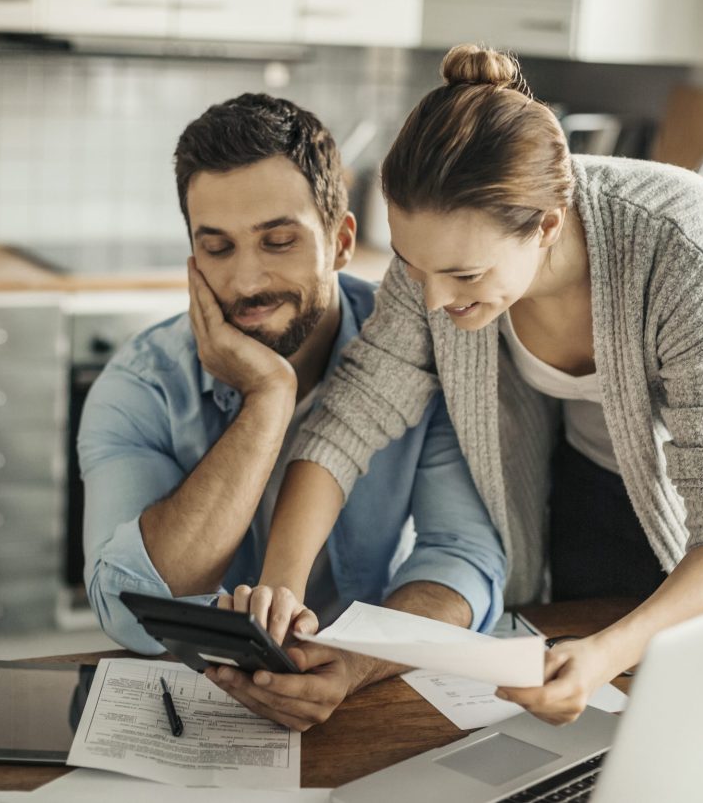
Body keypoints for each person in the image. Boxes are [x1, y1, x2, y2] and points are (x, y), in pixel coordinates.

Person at [235, 46, 703, 726]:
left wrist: (604, 655)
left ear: (548, 226)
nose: (434, 301)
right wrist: (280, 588)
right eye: (412, 266)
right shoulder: (439, 252)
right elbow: (351, 416)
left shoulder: (684, 252)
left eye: (464, 276)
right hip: (583, 487)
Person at [78, 92, 506, 731]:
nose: (247, 282)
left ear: (341, 242)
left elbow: (463, 560)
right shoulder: (142, 386)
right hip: (204, 708)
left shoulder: (423, 355)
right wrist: (268, 399)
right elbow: (127, 608)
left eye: (278, 241)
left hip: (368, 694)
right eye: (217, 248)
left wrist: (356, 661)